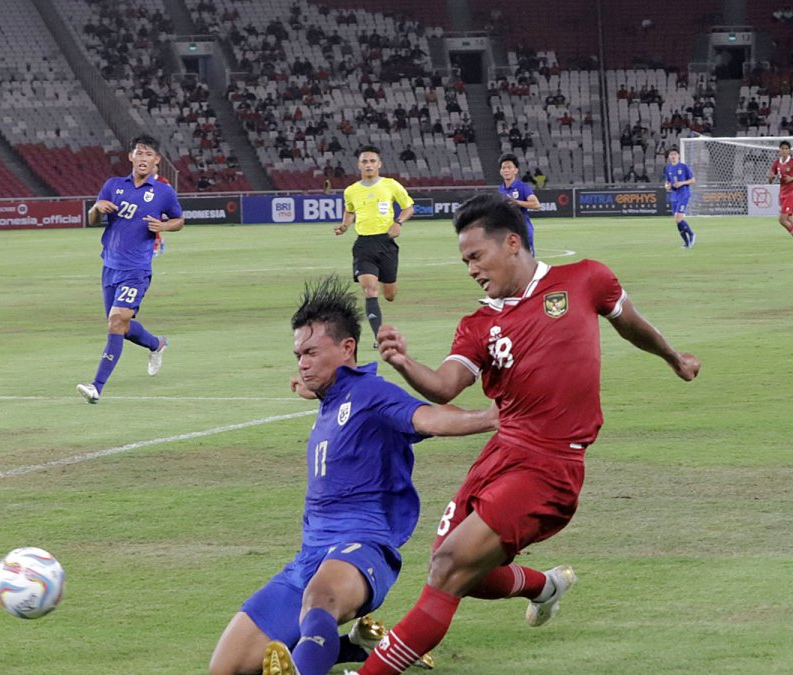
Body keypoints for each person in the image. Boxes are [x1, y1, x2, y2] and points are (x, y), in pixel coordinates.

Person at [354, 194, 700, 675]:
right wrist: (404, 362)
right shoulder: (479, 324)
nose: (471, 269)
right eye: (465, 261)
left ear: (512, 243)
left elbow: (631, 323)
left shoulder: (584, 279)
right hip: (500, 454)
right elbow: (445, 386)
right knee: (457, 568)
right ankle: (544, 586)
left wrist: (673, 357)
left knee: (449, 567)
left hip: (552, 465)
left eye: (476, 256)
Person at [208, 276, 497, 675]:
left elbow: (429, 417)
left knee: (321, 597)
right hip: (310, 555)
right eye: (298, 355)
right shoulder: (332, 397)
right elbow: (337, 400)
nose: (303, 363)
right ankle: (358, 646)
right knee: (226, 668)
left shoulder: (371, 393)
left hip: (362, 548)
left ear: (347, 349)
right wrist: (316, 389)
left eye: (311, 352)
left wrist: (492, 417)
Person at [77, 135, 183, 403]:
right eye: (139, 153)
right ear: (131, 157)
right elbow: (92, 220)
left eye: (149, 154)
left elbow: (179, 220)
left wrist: (164, 226)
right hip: (109, 267)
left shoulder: (163, 192)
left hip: (136, 269)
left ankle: (96, 387)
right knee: (119, 325)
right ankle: (156, 344)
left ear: (156, 160)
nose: (144, 158)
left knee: (116, 322)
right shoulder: (113, 185)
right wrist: (96, 208)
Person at [335, 146, 415, 348]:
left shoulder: (390, 185)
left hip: (386, 243)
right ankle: (379, 336)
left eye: (372, 161)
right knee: (370, 290)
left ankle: (385, 289)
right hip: (363, 244)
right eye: (364, 161)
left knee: (389, 295)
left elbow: (408, 207)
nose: (368, 165)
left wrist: (398, 223)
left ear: (379, 164)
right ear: (359, 165)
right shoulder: (351, 191)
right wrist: (345, 225)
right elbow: (349, 210)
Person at [766, 140, 793, 256]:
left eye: (786, 149)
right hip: (782, 193)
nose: (784, 151)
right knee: (789, 221)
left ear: (789, 150)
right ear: (779, 150)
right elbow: (770, 180)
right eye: (782, 148)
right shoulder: (776, 163)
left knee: (782, 219)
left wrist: (792, 178)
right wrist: (770, 177)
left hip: (792, 192)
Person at [496, 152, 540, 253]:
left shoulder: (522, 187)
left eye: (509, 167)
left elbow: (536, 205)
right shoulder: (500, 189)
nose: (506, 170)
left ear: (515, 170)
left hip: (523, 230)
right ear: (500, 171)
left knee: (526, 264)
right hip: (507, 232)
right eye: (503, 168)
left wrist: (517, 202)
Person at [663, 148, 696, 248]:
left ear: (678, 156)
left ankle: (691, 234)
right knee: (677, 220)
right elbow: (667, 182)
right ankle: (686, 243)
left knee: (678, 219)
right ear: (669, 157)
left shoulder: (684, 167)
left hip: (684, 195)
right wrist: (667, 186)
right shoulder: (668, 168)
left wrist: (682, 183)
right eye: (671, 154)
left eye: (675, 154)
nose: (673, 156)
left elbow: (693, 180)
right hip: (674, 196)